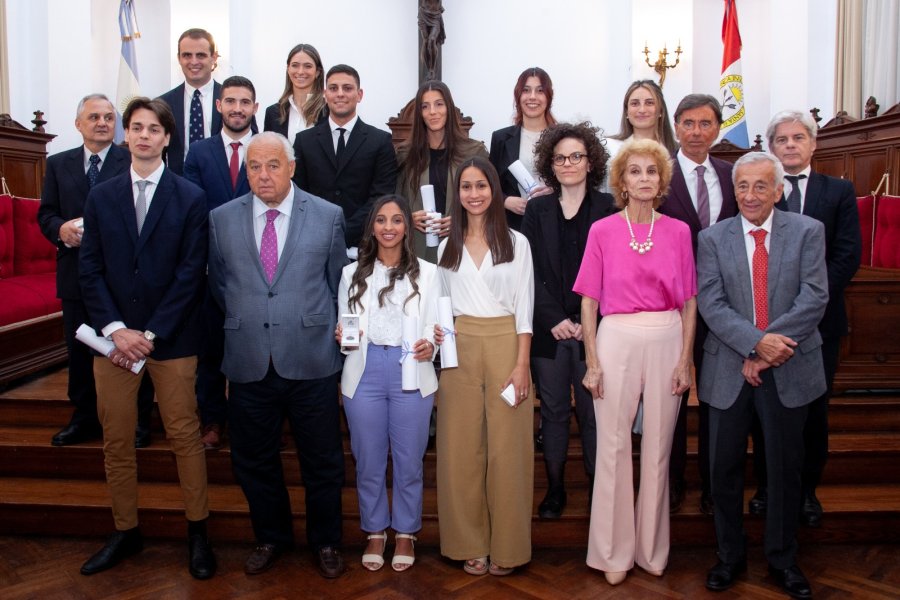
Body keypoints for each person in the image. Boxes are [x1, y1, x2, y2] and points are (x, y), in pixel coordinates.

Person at [78, 97, 215, 579]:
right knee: (116, 439)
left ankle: (198, 533)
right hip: (113, 342)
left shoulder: (189, 197)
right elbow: (89, 269)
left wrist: (150, 334)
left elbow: (189, 274)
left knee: (183, 436)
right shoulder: (102, 196)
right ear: (125, 135)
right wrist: (117, 331)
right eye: (135, 127)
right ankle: (125, 531)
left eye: (153, 129)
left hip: (171, 340)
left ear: (167, 137)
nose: (142, 136)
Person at [207, 132, 348, 578]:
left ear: (292, 167)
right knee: (252, 459)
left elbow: (336, 284)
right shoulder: (221, 218)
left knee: (322, 461)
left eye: (272, 165)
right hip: (249, 357)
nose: (263, 174)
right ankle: (271, 536)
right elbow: (220, 284)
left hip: (311, 358)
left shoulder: (327, 216)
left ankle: (325, 541)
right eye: (254, 166)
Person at [698, 152, 828, 599]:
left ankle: (782, 560)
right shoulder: (712, 238)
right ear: (733, 192)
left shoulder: (809, 232)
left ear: (778, 190)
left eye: (760, 186)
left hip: (790, 368)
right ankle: (729, 557)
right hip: (728, 369)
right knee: (724, 470)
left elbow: (814, 296)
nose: (750, 195)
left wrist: (769, 349)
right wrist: (755, 345)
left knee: (784, 470)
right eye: (742, 186)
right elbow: (712, 304)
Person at [574, 139, 696, 586]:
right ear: (622, 182)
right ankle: (611, 552)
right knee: (613, 447)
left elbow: (689, 303)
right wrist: (592, 360)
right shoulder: (603, 230)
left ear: (662, 180)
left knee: (659, 448)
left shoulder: (679, 232)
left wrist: (686, 360)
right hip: (616, 337)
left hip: (666, 335)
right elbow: (588, 301)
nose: (644, 179)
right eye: (635, 172)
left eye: (651, 171)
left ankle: (651, 550)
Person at [748, 110, 861, 526]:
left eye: (799, 137)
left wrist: (804, 302)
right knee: (763, 412)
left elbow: (847, 255)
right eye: (782, 139)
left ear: (814, 144)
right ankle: (765, 487)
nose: (791, 145)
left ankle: (807, 491)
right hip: (761, 325)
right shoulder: (757, 192)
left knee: (812, 412)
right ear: (771, 147)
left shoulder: (838, 191)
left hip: (818, 326)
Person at [435, 156, 534, 576]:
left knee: (508, 451)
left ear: (494, 190)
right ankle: (468, 542)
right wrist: (440, 335)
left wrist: (522, 363)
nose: (473, 194)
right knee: (460, 450)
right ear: (456, 195)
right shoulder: (445, 246)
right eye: (466, 187)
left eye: (481, 186)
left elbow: (526, 309)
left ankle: (508, 548)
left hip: (506, 345)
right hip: (458, 348)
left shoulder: (517, 243)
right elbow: (440, 305)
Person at [37, 94, 154, 448]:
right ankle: (85, 416)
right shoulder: (58, 164)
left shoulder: (132, 159)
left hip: (122, 277)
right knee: (79, 350)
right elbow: (46, 214)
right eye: (94, 117)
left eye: (108, 117)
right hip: (75, 273)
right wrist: (60, 230)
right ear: (78, 124)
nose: (102, 123)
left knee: (129, 348)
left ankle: (138, 421)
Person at [336, 195, 440, 572]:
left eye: (397, 220)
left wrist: (432, 340)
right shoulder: (351, 274)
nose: (389, 227)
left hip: (411, 369)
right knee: (368, 459)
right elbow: (346, 324)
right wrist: (341, 334)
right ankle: (375, 530)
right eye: (381, 220)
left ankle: (407, 532)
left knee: (410, 460)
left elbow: (436, 322)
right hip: (364, 371)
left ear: (407, 227)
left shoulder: (428, 273)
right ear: (372, 227)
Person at [521, 122, 615, 519]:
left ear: (590, 161)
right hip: (549, 331)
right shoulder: (537, 209)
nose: (569, 163)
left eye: (576, 156)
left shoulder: (610, 208)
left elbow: (616, 273)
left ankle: (598, 489)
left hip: (598, 329)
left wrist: (583, 320)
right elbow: (528, 271)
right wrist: (554, 318)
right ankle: (556, 488)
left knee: (594, 413)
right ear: (550, 165)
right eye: (560, 158)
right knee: (555, 411)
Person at [662, 93, 737, 515]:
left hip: (724, 307)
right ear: (676, 127)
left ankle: (713, 484)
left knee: (716, 400)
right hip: (672, 306)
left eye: (705, 123)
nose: (696, 132)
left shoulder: (732, 175)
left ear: (717, 128)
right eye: (688, 123)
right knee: (671, 397)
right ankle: (671, 483)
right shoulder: (659, 174)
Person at [183, 75, 259, 450]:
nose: (237, 108)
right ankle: (212, 419)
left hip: (260, 263)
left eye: (245, 102)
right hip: (211, 263)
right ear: (218, 106)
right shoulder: (199, 152)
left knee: (255, 347)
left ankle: (253, 422)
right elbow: (193, 207)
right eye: (230, 101)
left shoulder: (268, 148)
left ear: (255, 108)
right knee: (211, 346)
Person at [292, 64, 398, 250]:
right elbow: (298, 193)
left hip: (365, 245)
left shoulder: (380, 141)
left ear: (359, 95)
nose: (340, 94)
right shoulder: (304, 141)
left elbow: (381, 196)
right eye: (333, 88)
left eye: (347, 88)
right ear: (325, 94)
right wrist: (323, 232)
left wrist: (343, 232)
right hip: (314, 243)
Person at [397, 80, 488, 262]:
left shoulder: (474, 151)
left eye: (439, 104)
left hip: (463, 246)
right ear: (419, 113)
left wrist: (461, 220)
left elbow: (489, 200)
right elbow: (395, 200)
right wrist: (407, 217)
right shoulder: (405, 154)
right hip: (418, 249)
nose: (433, 112)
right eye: (425, 106)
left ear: (449, 108)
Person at [489, 67, 556, 231]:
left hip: (556, 221)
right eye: (526, 90)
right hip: (515, 226)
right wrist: (505, 201)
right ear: (518, 96)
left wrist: (556, 192)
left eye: (540, 90)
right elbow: (490, 183)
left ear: (549, 97)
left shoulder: (563, 138)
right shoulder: (501, 139)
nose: (532, 96)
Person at [157, 29, 223, 175]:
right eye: (187, 55)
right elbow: (157, 151)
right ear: (179, 58)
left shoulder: (232, 100)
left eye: (201, 55)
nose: (194, 62)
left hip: (223, 191)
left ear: (214, 58)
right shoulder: (163, 103)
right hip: (178, 188)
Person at [602, 79, 676, 192]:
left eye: (649, 103)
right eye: (635, 103)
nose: (642, 110)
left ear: (660, 110)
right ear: (626, 111)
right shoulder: (609, 148)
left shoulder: (675, 152)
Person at [263, 43, 328, 142]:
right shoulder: (272, 112)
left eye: (308, 66)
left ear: (318, 72)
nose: (301, 71)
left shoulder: (328, 111)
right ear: (288, 69)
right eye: (295, 65)